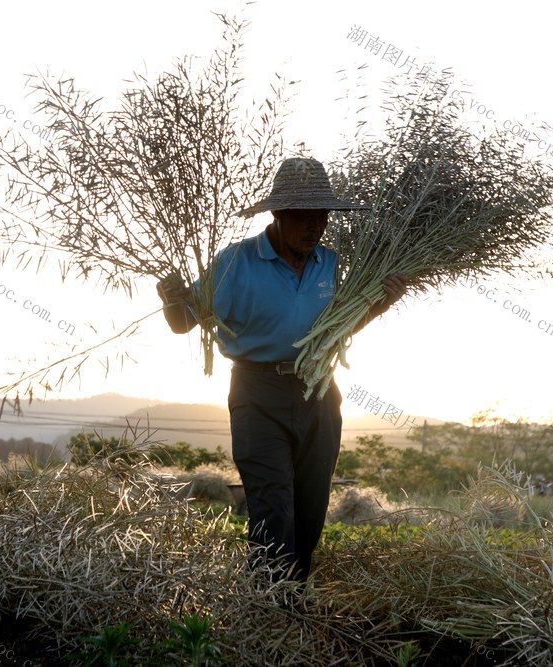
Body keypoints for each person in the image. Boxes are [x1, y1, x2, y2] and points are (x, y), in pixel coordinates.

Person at [156, 157, 408, 582]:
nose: (315, 227)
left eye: (322, 217)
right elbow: (184, 321)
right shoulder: (236, 262)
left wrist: (381, 302)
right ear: (278, 214)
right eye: (304, 217)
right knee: (273, 509)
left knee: (310, 511)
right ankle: (267, 612)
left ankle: (294, 605)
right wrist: (171, 298)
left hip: (319, 392)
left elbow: (341, 325)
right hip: (259, 394)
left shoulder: (330, 263)